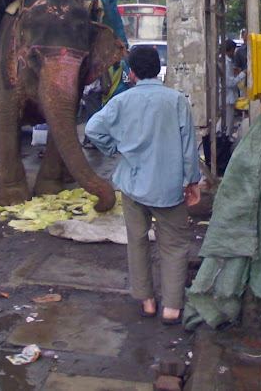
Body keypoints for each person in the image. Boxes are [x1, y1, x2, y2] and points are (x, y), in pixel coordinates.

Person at [85, 46, 202, 324]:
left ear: (132, 73)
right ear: (158, 69)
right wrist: (192, 182)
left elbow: (92, 129)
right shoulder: (176, 101)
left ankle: (147, 301)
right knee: (174, 245)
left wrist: (114, 147)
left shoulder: (121, 101)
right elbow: (188, 147)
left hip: (133, 184)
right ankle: (172, 307)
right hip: (169, 187)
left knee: (137, 241)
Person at [224, 39, 246, 137]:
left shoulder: (227, 62)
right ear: (231, 50)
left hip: (228, 96)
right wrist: (242, 74)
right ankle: (225, 142)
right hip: (228, 97)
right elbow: (230, 82)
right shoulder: (226, 63)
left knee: (227, 121)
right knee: (228, 123)